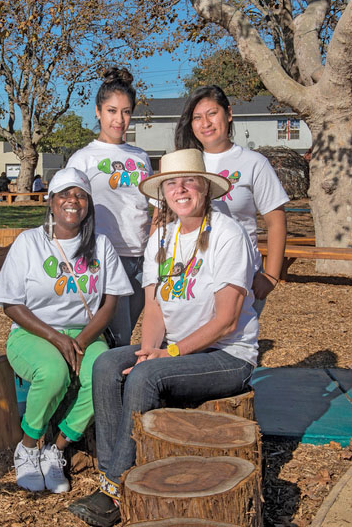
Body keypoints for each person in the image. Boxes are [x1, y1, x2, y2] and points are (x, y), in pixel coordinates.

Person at [67, 149, 259, 527]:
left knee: (146, 376)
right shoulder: (162, 238)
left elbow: (226, 320)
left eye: (189, 181)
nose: (181, 189)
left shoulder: (228, 234)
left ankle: (117, 490)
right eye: (172, 182)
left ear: (205, 188)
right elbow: (153, 309)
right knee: (107, 364)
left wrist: (167, 354)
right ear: (163, 193)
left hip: (228, 356)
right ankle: (111, 476)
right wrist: (151, 348)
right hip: (176, 349)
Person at [0, 167, 133, 494]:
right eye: (64, 194)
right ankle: (27, 448)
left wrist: (80, 342)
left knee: (106, 375)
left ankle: (57, 448)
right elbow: (11, 304)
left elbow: (109, 303)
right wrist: (56, 338)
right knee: (54, 372)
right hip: (35, 333)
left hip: (86, 333)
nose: (73, 201)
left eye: (80, 195)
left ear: (88, 205)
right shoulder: (29, 242)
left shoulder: (100, 244)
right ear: (51, 202)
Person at [175, 85, 289, 316]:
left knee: (233, 349)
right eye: (197, 117)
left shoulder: (254, 163)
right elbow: (162, 220)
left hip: (241, 277)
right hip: (190, 277)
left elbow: (276, 222)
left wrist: (271, 276)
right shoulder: (182, 163)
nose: (205, 123)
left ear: (228, 114)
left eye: (212, 113)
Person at [66, 67, 152, 346]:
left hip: (143, 257)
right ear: (98, 111)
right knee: (119, 337)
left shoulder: (141, 156)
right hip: (106, 257)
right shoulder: (83, 158)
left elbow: (151, 204)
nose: (119, 119)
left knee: (136, 330)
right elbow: (68, 208)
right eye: (112, 111)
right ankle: (110, 388)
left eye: (126, 112)